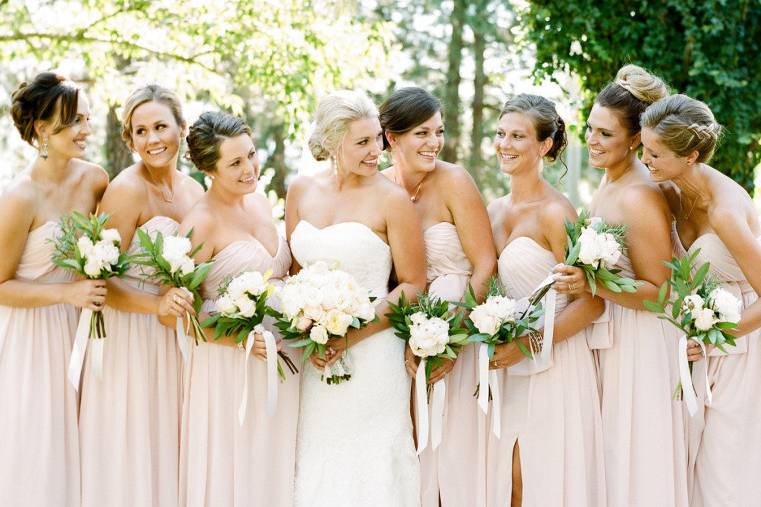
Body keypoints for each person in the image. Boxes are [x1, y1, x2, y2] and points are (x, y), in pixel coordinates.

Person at [554, 65, 689, 506]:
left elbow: (663, 293)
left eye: (605, 134)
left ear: (635, 139)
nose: (592, 140)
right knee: (611, 460)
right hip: (611, 339)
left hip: (641, 345)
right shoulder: (608, 186)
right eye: (590, 128)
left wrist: (591, 285)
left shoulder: (639, 195)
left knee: (637, 459)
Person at [287, 90, 426, 506]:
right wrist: (309, 332)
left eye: (377, 139)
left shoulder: (392, 199)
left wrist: (350, 334)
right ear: (332, 143)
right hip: (317, 359)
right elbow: (295, 276)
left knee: (373, 470)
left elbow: (413, 283)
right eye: (362, 142)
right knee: (320, 464)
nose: (376, 151)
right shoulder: (299, 190)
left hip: (374, 357)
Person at [78, 84, 204, 507]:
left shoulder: (195, 191)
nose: (153, 140)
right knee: (134, 445)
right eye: (141, 131)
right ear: (130, 139)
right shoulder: (126, 190)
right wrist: (155, 305)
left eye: (161, 127)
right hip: (131, 337)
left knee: (172, 443)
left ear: (182, 129)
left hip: (177, 340)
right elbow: (100, 282)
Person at [641, 94, 761, 506]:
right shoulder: (671, 192)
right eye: (644, 147)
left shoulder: (724, 210)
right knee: (689, 467)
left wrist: (718, 335)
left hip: (739, 349)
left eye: (655, 153)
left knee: (725, 472)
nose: (645, 160)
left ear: (690, 155)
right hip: (694, 348)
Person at [379, 86, 495, 507]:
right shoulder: (378, 187)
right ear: (392, 139)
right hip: (399, 340)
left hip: (458, 338)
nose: (434, 143)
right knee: (409, 447)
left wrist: (452, 339)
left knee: (453, 451)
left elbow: (485, 265)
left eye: (438, 132)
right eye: (421, 134)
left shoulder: (454, 182)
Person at [486, 94, 605, 506]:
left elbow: (592, 303)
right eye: (501, 133)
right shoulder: (494, 210)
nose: (505, 144)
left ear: (544, 145)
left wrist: (528, 343)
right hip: (507, 363)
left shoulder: (557, 213)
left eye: (518, 136)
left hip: (554, 360)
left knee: (539, 476)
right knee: (506, 479)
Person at [178, 111, 298, 506]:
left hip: (285, 359)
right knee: (239, 469)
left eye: (250, 154)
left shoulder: (261, 202)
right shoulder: (199, 224)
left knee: (279, 467)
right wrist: (243, 340)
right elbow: (187, 317)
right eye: (235, 163)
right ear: (208, 169)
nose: (250, 168)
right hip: (231, 368)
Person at [0, 72, 108, 506]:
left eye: (85, 119)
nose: (85, 130)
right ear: (43, 128)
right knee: (38, 447)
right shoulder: (20, 198)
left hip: (80, 329)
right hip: (30, 336)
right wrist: (67, 294)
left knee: (84, 443)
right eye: (73, 122)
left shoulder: (96, 179)